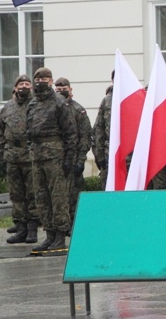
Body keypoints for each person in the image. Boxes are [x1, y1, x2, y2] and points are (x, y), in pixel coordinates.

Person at [27, 68, 77, 252]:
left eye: (45, 78)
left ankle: (60, 235)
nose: (41, 81)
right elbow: (29, 130)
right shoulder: (32, 104)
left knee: (58, 197)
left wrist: (69, 158)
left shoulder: (59, 102)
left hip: (55, 154)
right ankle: (49, 233)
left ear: (51, 80)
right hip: (37, 155)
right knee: (41, 196)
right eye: (38, 78)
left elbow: (70, 133)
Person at [0, 75, 40, 244]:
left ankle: (32, 229)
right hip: (12, 155)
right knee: (16, 194)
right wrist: (3, 150)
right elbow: (0, 130)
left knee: (32, 193)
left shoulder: (36, 105)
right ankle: (20, 228)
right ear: (15, 88)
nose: (24, 86)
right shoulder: (7, 107)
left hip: (29, 154)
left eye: (27, 84)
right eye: (20, 84)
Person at [54, 78, 92, 225]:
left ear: (70, 89)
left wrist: (81, 159)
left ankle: (75, 223)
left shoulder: (78, 110)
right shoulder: (52, 108)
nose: (60, 91)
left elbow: (85, 136)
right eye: (57, 88)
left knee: (74, 193)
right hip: (56, 156)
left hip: (75, 156)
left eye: (63, 88)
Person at [92, 71, 113, 190]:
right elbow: (98, 130)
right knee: (108, 189)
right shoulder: (106, 101)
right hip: (108, 153)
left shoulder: (135, 99)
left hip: (130, 158)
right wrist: (99, 156)